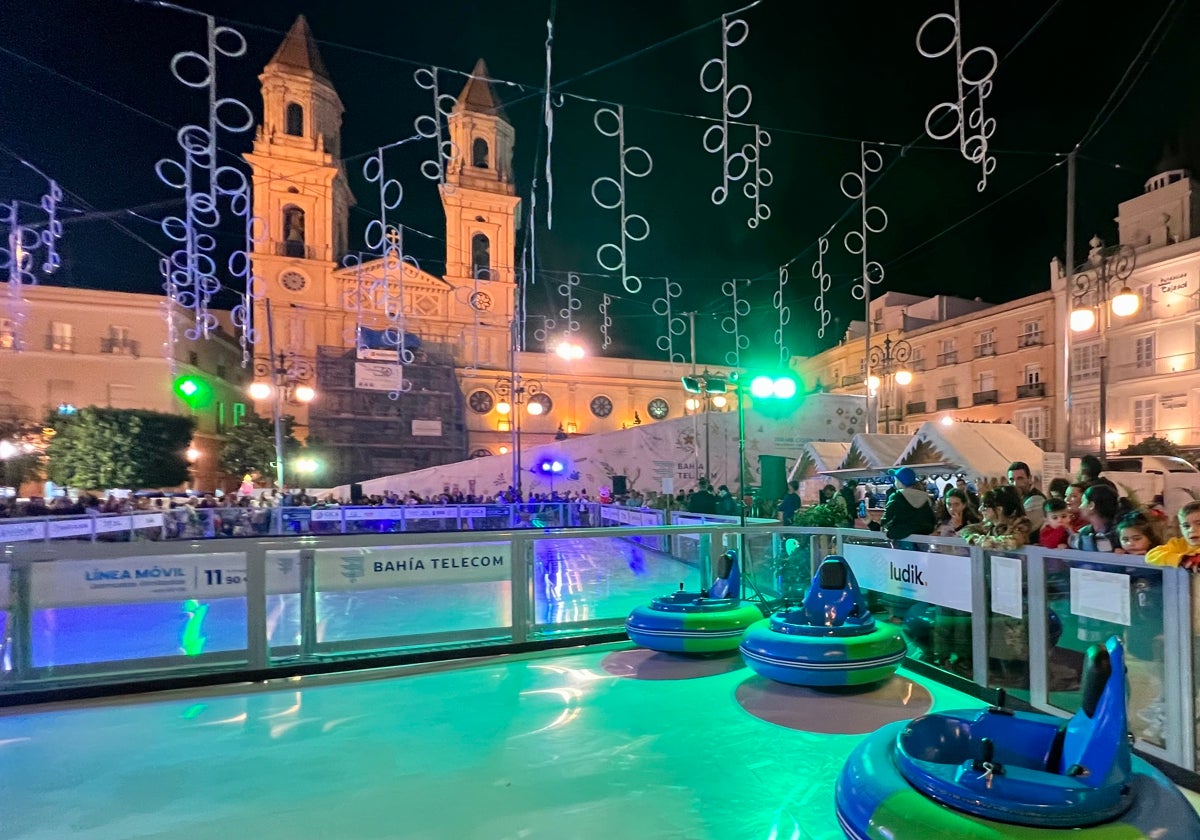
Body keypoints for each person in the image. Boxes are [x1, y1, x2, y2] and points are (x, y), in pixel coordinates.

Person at [960, 485, 1032, 550]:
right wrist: (976, 539)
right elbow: (966, 530)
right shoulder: (990, 524)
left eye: (985, 507)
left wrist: (980, 541)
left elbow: (1006, 544)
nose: (980, 509)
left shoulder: (1022, 525)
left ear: (999, 509)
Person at [881, 467, 936, 541]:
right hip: (923, 540)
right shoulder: (926, 498)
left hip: (901, 539)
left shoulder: (897, 496)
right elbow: (932, 520)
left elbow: (886, 520)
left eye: (896, 480)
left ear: (900, 482)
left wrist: (881, 527)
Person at [1008, 461, 1046, 533]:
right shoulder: (1015, 498)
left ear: (1029, 478)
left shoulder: (1036, 499)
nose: (1015, 483)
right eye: (1011, 480)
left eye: (1020, 478)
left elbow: (1021, 526)